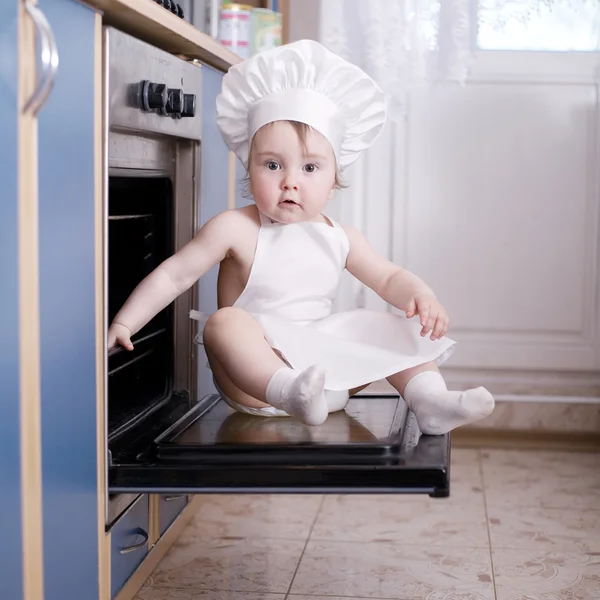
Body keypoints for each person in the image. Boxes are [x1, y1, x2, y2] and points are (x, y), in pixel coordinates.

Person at [108, 39, 495, 433]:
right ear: (249, 168)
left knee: (385, 322)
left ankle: (429, 400)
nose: (290, 182)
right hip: (257, 382)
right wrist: (125, 323)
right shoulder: (235, 228)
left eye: (310, 168)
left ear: (334, 181)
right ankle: (290, 390)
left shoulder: (340, 236)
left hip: (324, 377)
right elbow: (175, 275)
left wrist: (422, 297)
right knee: (224, 323)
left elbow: (389, 278)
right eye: (273, 165)